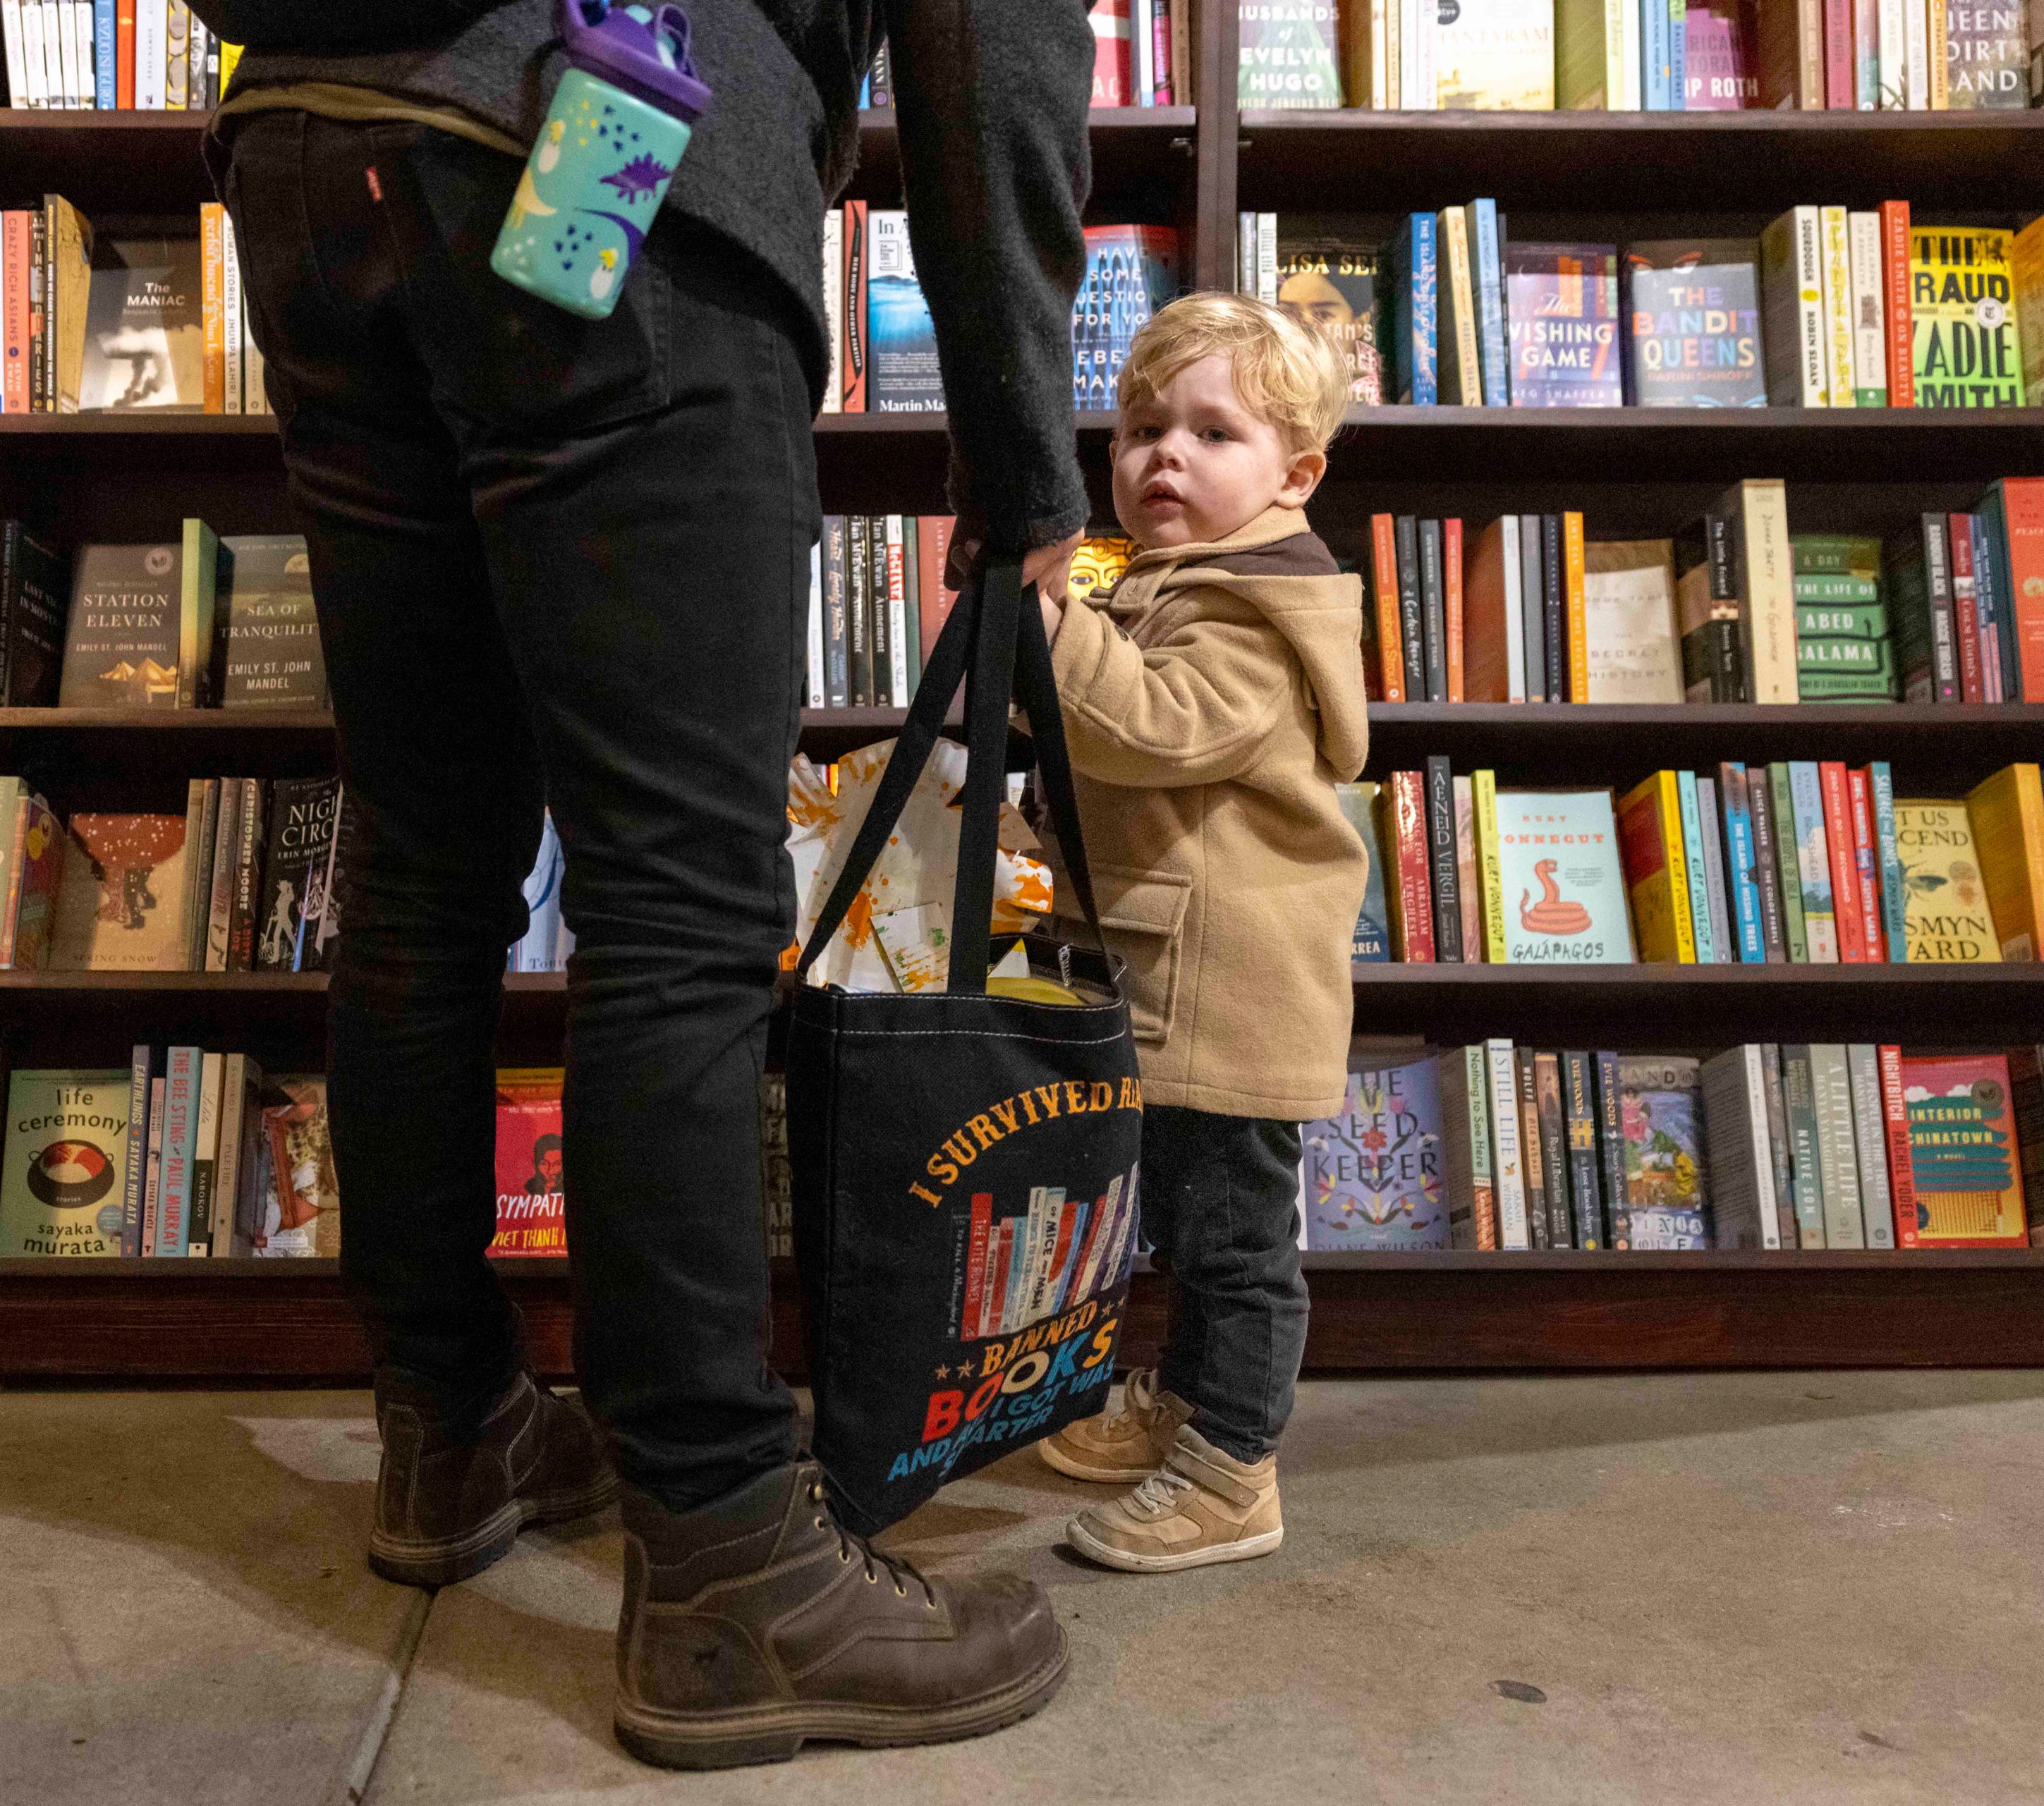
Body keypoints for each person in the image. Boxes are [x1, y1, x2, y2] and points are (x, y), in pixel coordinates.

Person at [186, 0, 1095, 1769]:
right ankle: (724, 1554)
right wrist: (1015, 442)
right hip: (604, 121)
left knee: (423, 858)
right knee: (673, 891)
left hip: (304, 140)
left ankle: (451, 1419)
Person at [1027, 293, 1369, 1573]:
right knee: (1178, 1217)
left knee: (1234, 1243)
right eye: (1139, 428)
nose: (1163, 454)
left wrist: (1055, 629)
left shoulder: (1256, 606)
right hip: (1168, 972)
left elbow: (1156, 727)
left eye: (1213, 432)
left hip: (1230, 985)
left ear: (1296, 473)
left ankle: (1233, 1469)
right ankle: (1182, 1407)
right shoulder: (1176, 576)